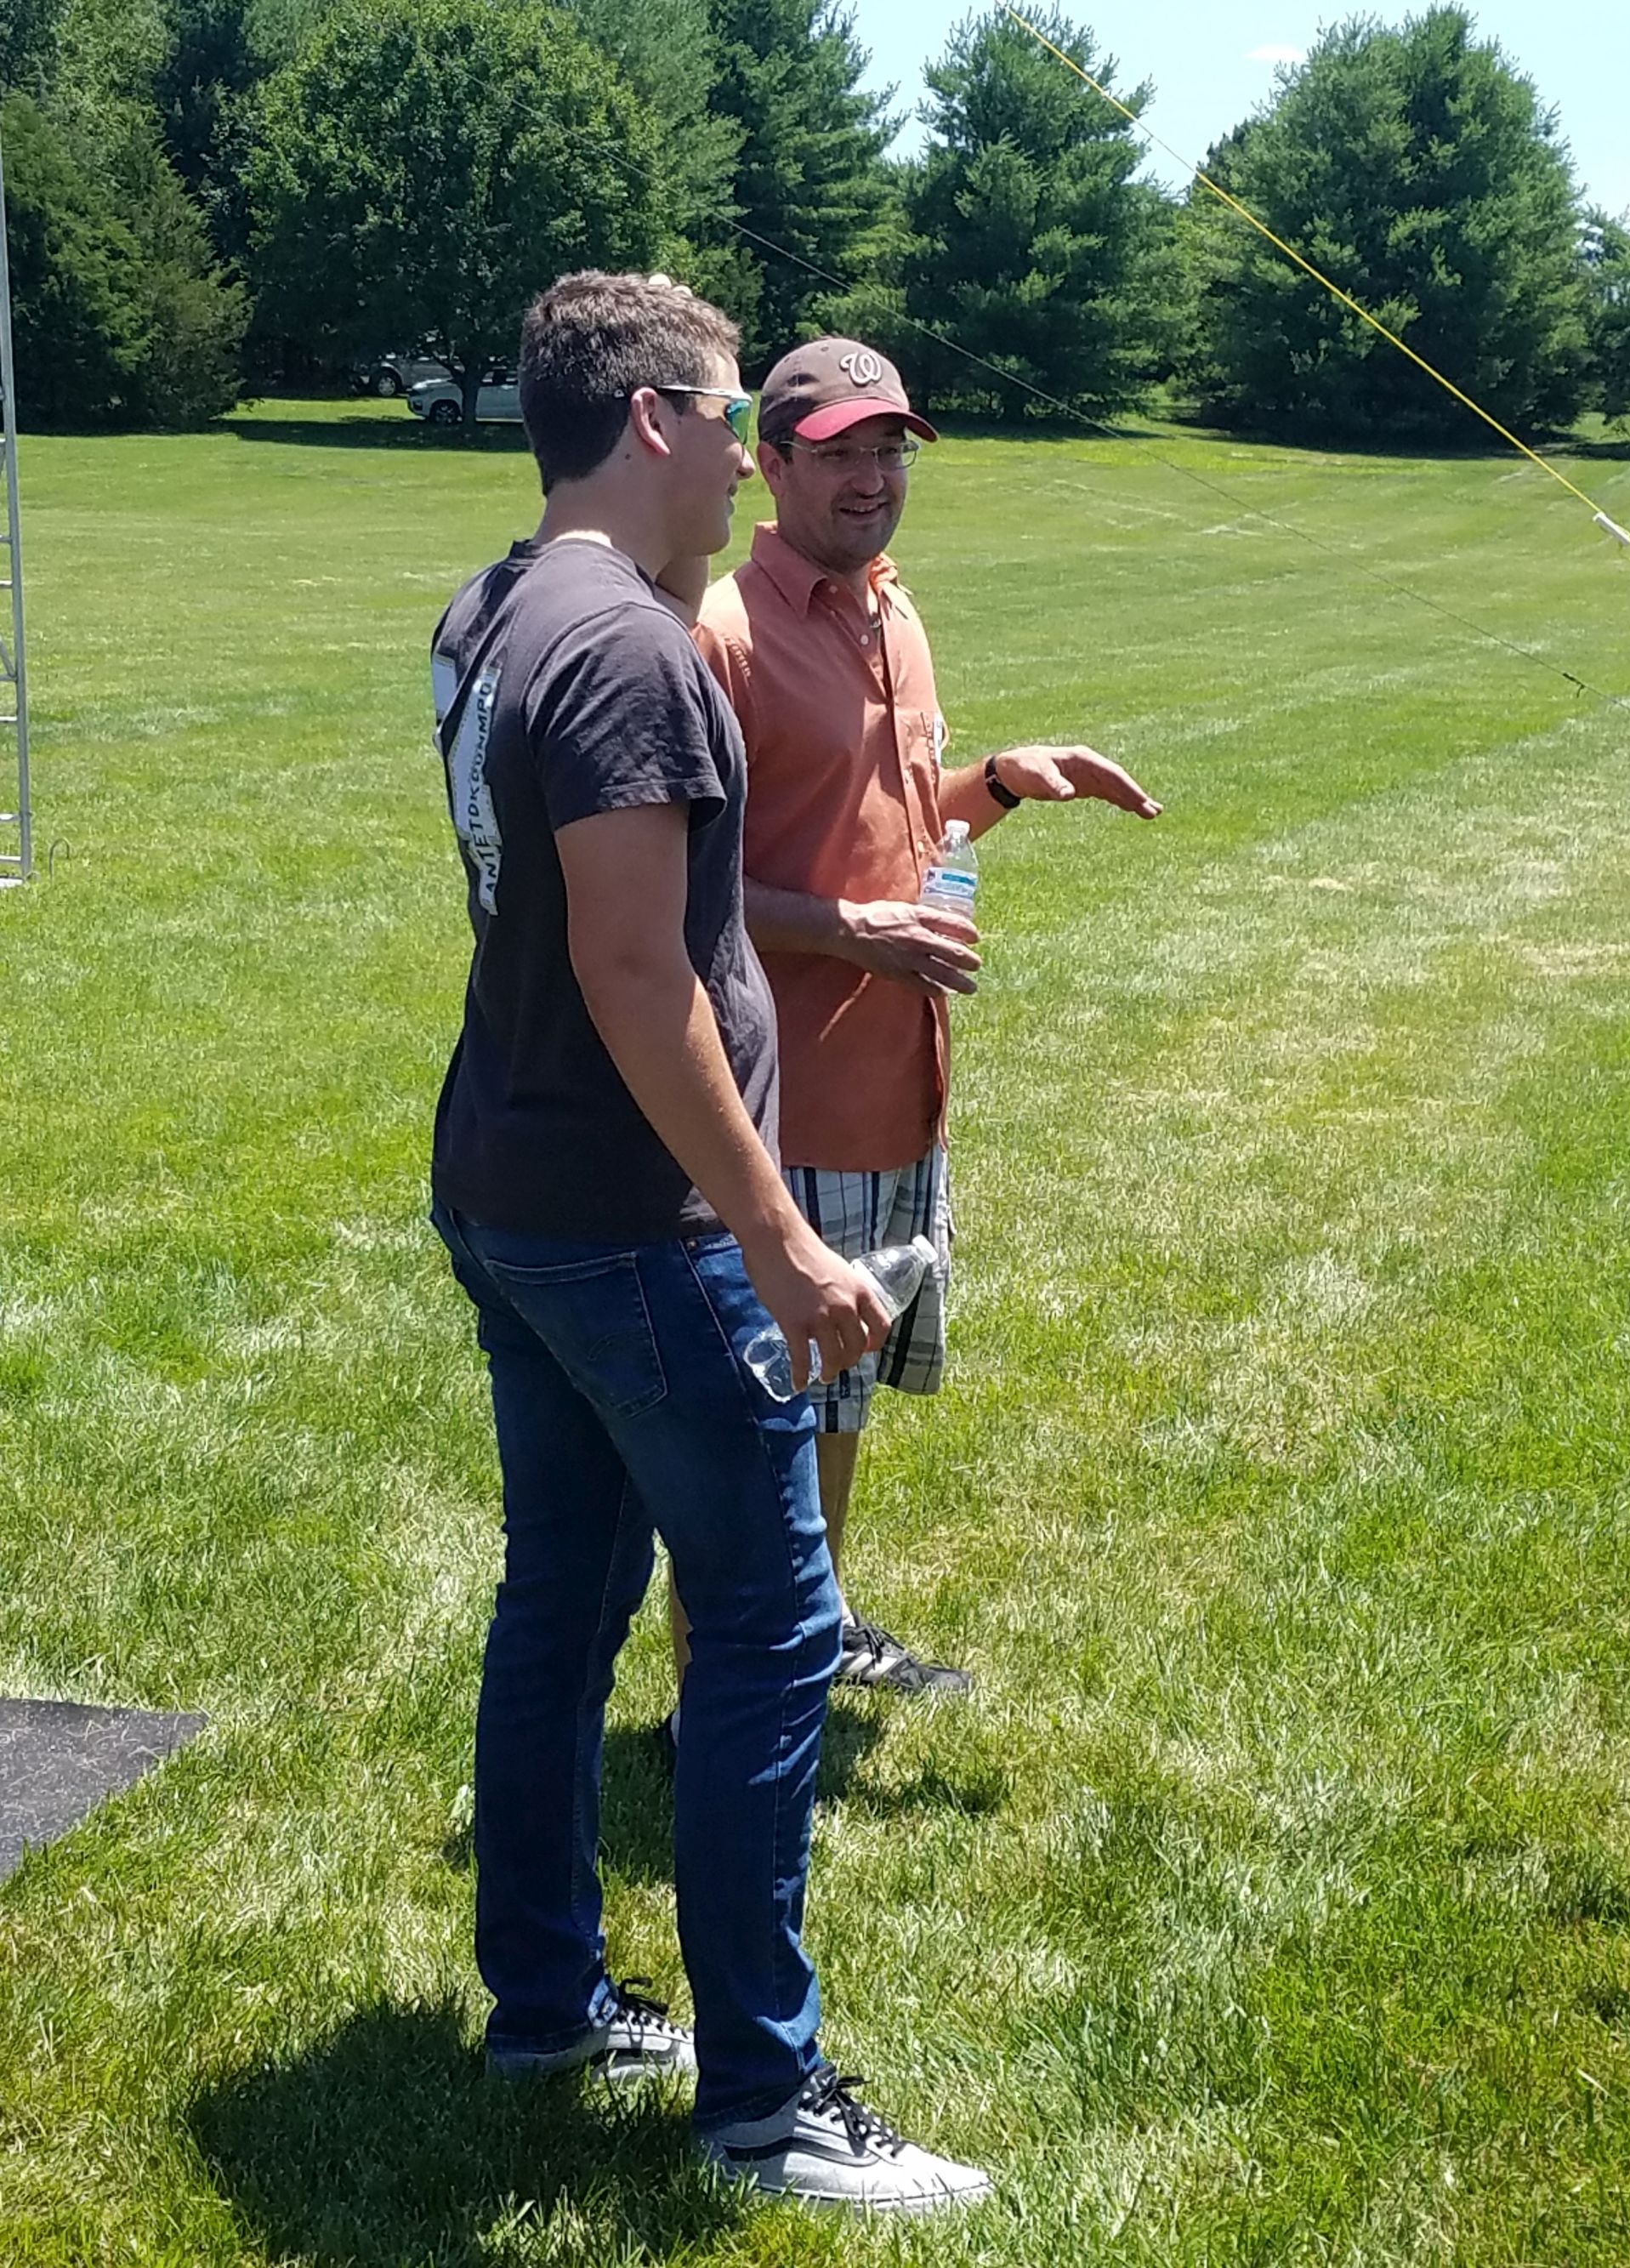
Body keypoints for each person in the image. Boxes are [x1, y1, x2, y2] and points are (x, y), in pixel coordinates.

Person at [428, 273, 990, 2214]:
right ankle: (767, 2100)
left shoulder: (497, 605)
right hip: (634, 1220)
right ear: (656, 421)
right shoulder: (634, 653)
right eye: (736, 416)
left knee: (563, 1604)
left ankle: (547, 2007)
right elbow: (631, 966)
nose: (752, 458)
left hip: (516, 1186)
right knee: (767, 1629)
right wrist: (773, 1235)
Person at [673, 335, 1161, 1702]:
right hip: (786, 1102)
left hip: (899, 1086)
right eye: (842, 453)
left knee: (837, 1403)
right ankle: (722, 1698)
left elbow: (889, 827)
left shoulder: (893, 612)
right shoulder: (724, 638)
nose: (874, 477)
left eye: (891, 450)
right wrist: (852, 932)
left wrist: (999, 779)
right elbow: (679, 896)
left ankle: (810, 1633)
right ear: (771, 464)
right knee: (764, 1415)